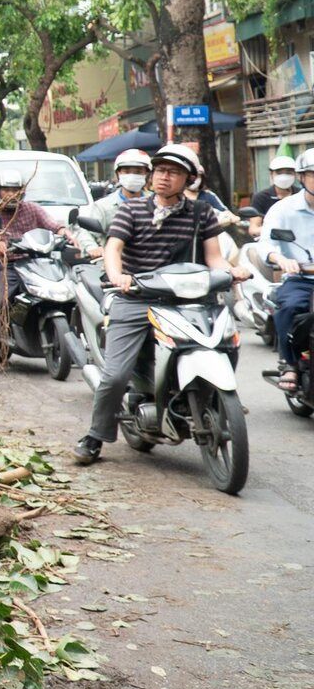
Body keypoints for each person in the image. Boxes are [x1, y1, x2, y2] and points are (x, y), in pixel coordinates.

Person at [74, 143, 242, 465]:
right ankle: (95, 436)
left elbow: (214, 258)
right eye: (161, 171)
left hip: (188, 299)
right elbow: (114, 249)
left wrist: (233, 272)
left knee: (227, 343)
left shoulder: (201, 213)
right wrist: (118, 276)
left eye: (174, 172)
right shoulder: (132, 210)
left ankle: (212, 399)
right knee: (116, 375)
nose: (165, 177)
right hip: (137, 296)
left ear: (188, 179)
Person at [0, 168, 75, 373]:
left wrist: (65, 233)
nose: (11, 194)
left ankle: (76, 342)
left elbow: (53, 226)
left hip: (36, 261)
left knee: (69, 292)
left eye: (16, 189)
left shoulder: (32, 209)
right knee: (1, 301)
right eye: (6, 190)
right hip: (7, 265)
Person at [260, 149, 314, 392]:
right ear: (302, 177)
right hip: (301, 279)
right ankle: (290, 362)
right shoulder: (284, 209)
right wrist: (280, 258)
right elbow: (267, 244)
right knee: (289, 307)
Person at [76, 150, 152, 256]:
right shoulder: (104, 206)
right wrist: (93, 248)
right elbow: (85, 232)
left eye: (138, 172)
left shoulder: (157, 203)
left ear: (147, 174)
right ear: (118, 174)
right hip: (114, 263)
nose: (132, 176)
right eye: (127, 171)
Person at [251, 154, 299, 218]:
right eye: (279, 173)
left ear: (295, 174)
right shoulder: (261, 198)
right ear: (271, 174)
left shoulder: (302, 195)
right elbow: (254, 226)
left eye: (288, 172)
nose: (284, 176)